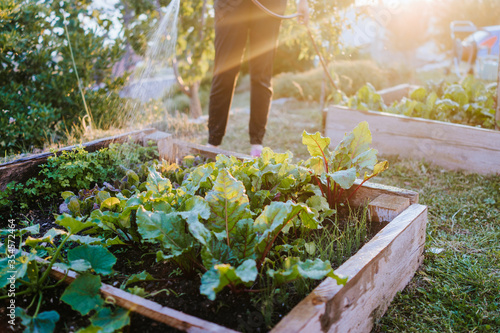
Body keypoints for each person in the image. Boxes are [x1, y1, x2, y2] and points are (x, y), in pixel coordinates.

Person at [207, 0, 309, 157]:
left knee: (262, 74)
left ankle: (256, 146)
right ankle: (212, 144)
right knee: (224, 71)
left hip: (269, 5)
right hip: (229, 5)